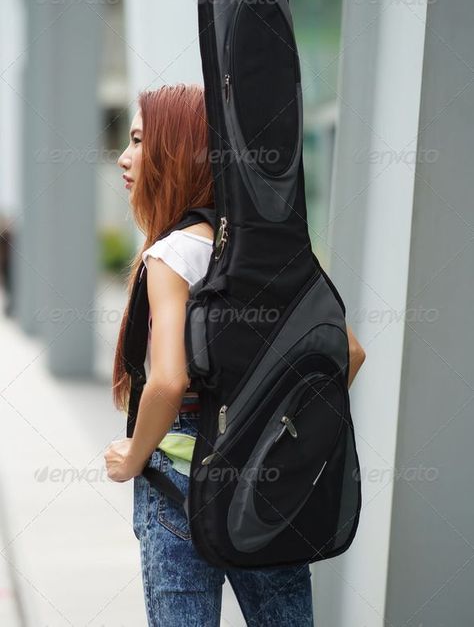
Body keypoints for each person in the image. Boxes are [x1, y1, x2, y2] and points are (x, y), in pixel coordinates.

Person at [104, 83, 366, 626]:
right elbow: (350, 354)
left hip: (178, 482)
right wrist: (279, 438)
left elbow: (168, 382)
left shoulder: (171, 254)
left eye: (137, 141)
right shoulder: (273, 249)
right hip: (263, 484)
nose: (125, 158)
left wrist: (132, 457)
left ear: (177, 153)